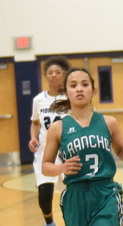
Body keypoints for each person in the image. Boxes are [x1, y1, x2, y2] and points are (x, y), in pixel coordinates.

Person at [42, 68, 123, 226]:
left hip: (104, 193)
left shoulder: (109, 122)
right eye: (73, 85)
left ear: (93, 91)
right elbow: (45, 166)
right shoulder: (58, 128)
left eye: (85, 84)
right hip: (74, 195)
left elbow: (120, 151)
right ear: (66, 93)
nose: (79, 88)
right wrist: (62, 168)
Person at [29, 55, 70, 226]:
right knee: (44, 195)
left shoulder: (70, 97)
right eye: (50, 72)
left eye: (57, 72)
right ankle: (50, 223)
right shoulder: (38, 100)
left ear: (64, 74)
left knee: (73, 193)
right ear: (45, 75)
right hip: (45, 152)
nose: (53, 75)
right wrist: (33, 137)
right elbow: (35, 123)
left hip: (67, 151)